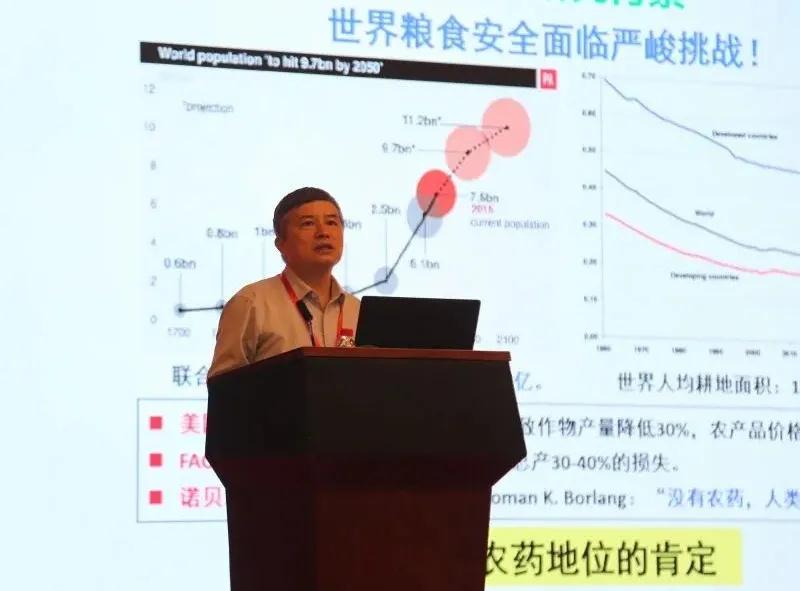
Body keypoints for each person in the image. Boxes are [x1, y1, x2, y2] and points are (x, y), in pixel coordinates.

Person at [208, 187, 360, 377]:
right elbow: (223, 387)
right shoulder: (251, 303)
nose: (323, 232)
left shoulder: (357, 310)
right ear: (280, 244)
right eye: (308, 224)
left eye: (331, 222)